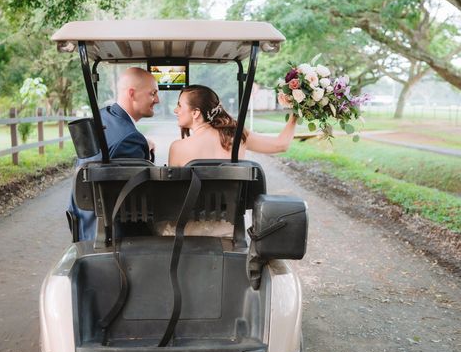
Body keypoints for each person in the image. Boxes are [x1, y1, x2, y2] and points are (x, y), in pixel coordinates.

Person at [69, 67, 160, 241]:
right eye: (153, 93)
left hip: (83, 224)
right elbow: (136, 205)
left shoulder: (103, 117)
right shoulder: (130, 139)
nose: (158, 99)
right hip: (114, 236)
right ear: (132, 93)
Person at [168, 85, 297, 167]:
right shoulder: (237, 136)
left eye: (179, 105)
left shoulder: (177, 148)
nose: (175, 110)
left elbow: (173, 196)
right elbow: (281, 145)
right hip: (231, 210)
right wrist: (297, 111)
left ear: (195, 113)